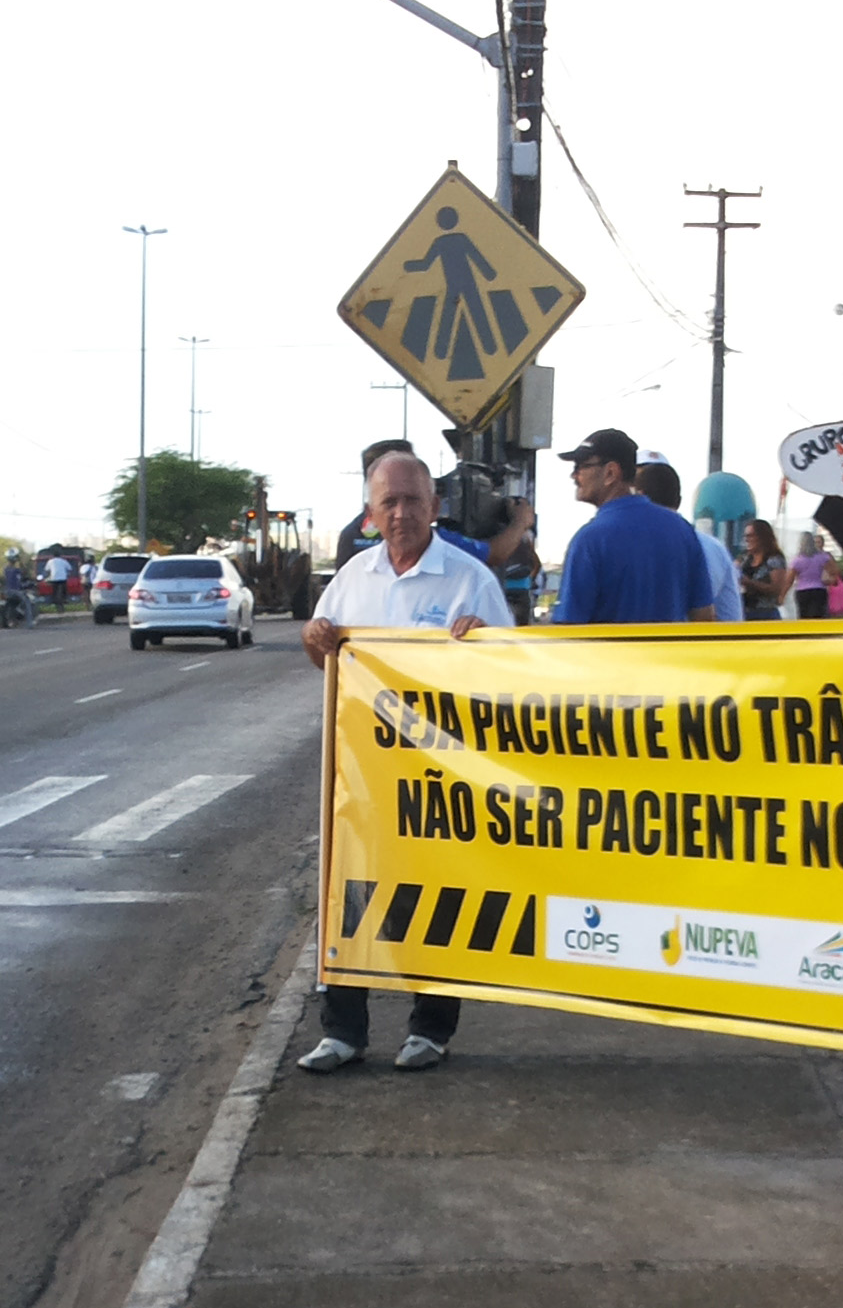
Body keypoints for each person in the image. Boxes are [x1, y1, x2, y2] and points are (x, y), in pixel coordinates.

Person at [297, 450, 513, 1075]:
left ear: (435, 507)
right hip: (361, 776)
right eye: (388, 502)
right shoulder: (353, 578)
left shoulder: (469, 580)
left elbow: (504, 680)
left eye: (413, 500)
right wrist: (314, 641)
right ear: (370, 513)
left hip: (436, 778)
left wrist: (483, 645)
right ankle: (342, 1030)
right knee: (349, 893)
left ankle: (431, 1028)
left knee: (437, 896)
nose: (401, 513)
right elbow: (327, 656)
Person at [549, 429, 716, 626]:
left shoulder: (590, 539)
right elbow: (704, 616)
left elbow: (569, 630)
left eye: (581, 467)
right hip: (669, 657)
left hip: (608, 657)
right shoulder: (681, 529)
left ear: (611, 472)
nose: (574, 476)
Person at [336, 438, 535, 572]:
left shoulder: (349, 535)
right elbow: (492, 554)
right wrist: (520, 522)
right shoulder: (429, 537)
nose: (401, 514)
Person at [634, 455, 740, 623]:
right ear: (678, 499)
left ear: (639, 495)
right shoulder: (712, 546)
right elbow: (729, 615)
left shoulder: (627, 545)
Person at [738, 519, 791, 621]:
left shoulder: (774, 559)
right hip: (745, 612)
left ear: (762, 537)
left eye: (750, 536)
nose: (747, 539)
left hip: (766, 613)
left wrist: (749, 583)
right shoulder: (746, 559)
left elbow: (776, 589)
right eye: (745, 536)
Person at [789, 533, 833, 620]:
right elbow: (834, 572)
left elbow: (789, 579)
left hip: (802, 590)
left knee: (803, 616)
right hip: (819, 589)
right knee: (818, 616)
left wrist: (782, 595)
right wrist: (829, 580)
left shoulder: (797, 560)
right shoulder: (822, 557)